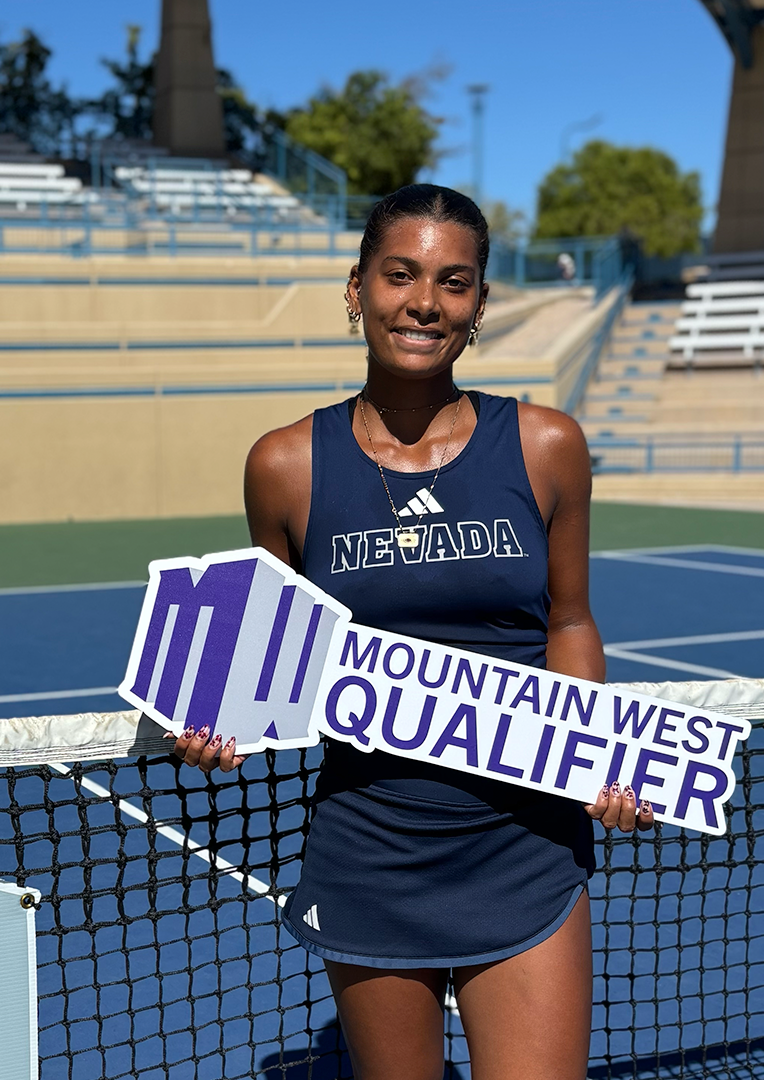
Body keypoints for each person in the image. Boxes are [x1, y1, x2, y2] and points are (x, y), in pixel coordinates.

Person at [177, 184, 648, 1080]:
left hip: (525, 845)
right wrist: (212, 720)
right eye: (400, 274)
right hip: (370, 848)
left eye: (454, 282)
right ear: (356, 289)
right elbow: (268, 655)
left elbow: (572, 621)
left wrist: (594, 749)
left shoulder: (547, 443)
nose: (425, 301)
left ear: (478, 308)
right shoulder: (283, 465)